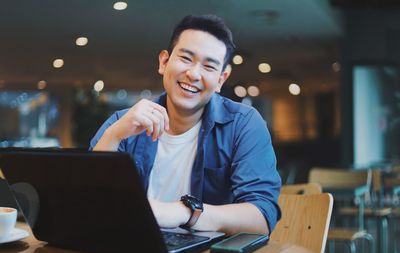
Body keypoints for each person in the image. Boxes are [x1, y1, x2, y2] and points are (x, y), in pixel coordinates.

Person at [90, 14, 281, 236]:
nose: (193, 74)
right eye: (186, 58)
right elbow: (89, 203)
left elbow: (262, 216)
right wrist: (113, 136)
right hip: (132, 249)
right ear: (164, 62)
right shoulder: (123, 123)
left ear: (221, 79)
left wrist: (185, 212)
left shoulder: (243, 124)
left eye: (209, 66)